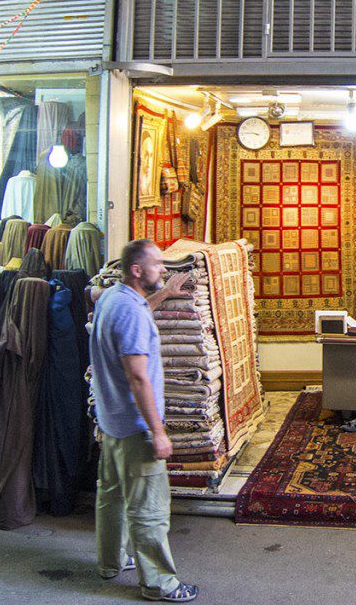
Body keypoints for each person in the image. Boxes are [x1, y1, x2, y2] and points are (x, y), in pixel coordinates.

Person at [90, 238, 199, 603]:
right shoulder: (132, 313)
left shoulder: (112, 298)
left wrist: (166, 293)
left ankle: (110, 563)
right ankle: (159, 583)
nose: (164, 269)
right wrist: (158, 431)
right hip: (136, 426)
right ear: (137, 270)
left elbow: (136, 316)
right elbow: (138, 377)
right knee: (149, 509)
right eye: (157, 264)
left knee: (111, 496)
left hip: (111, 422)